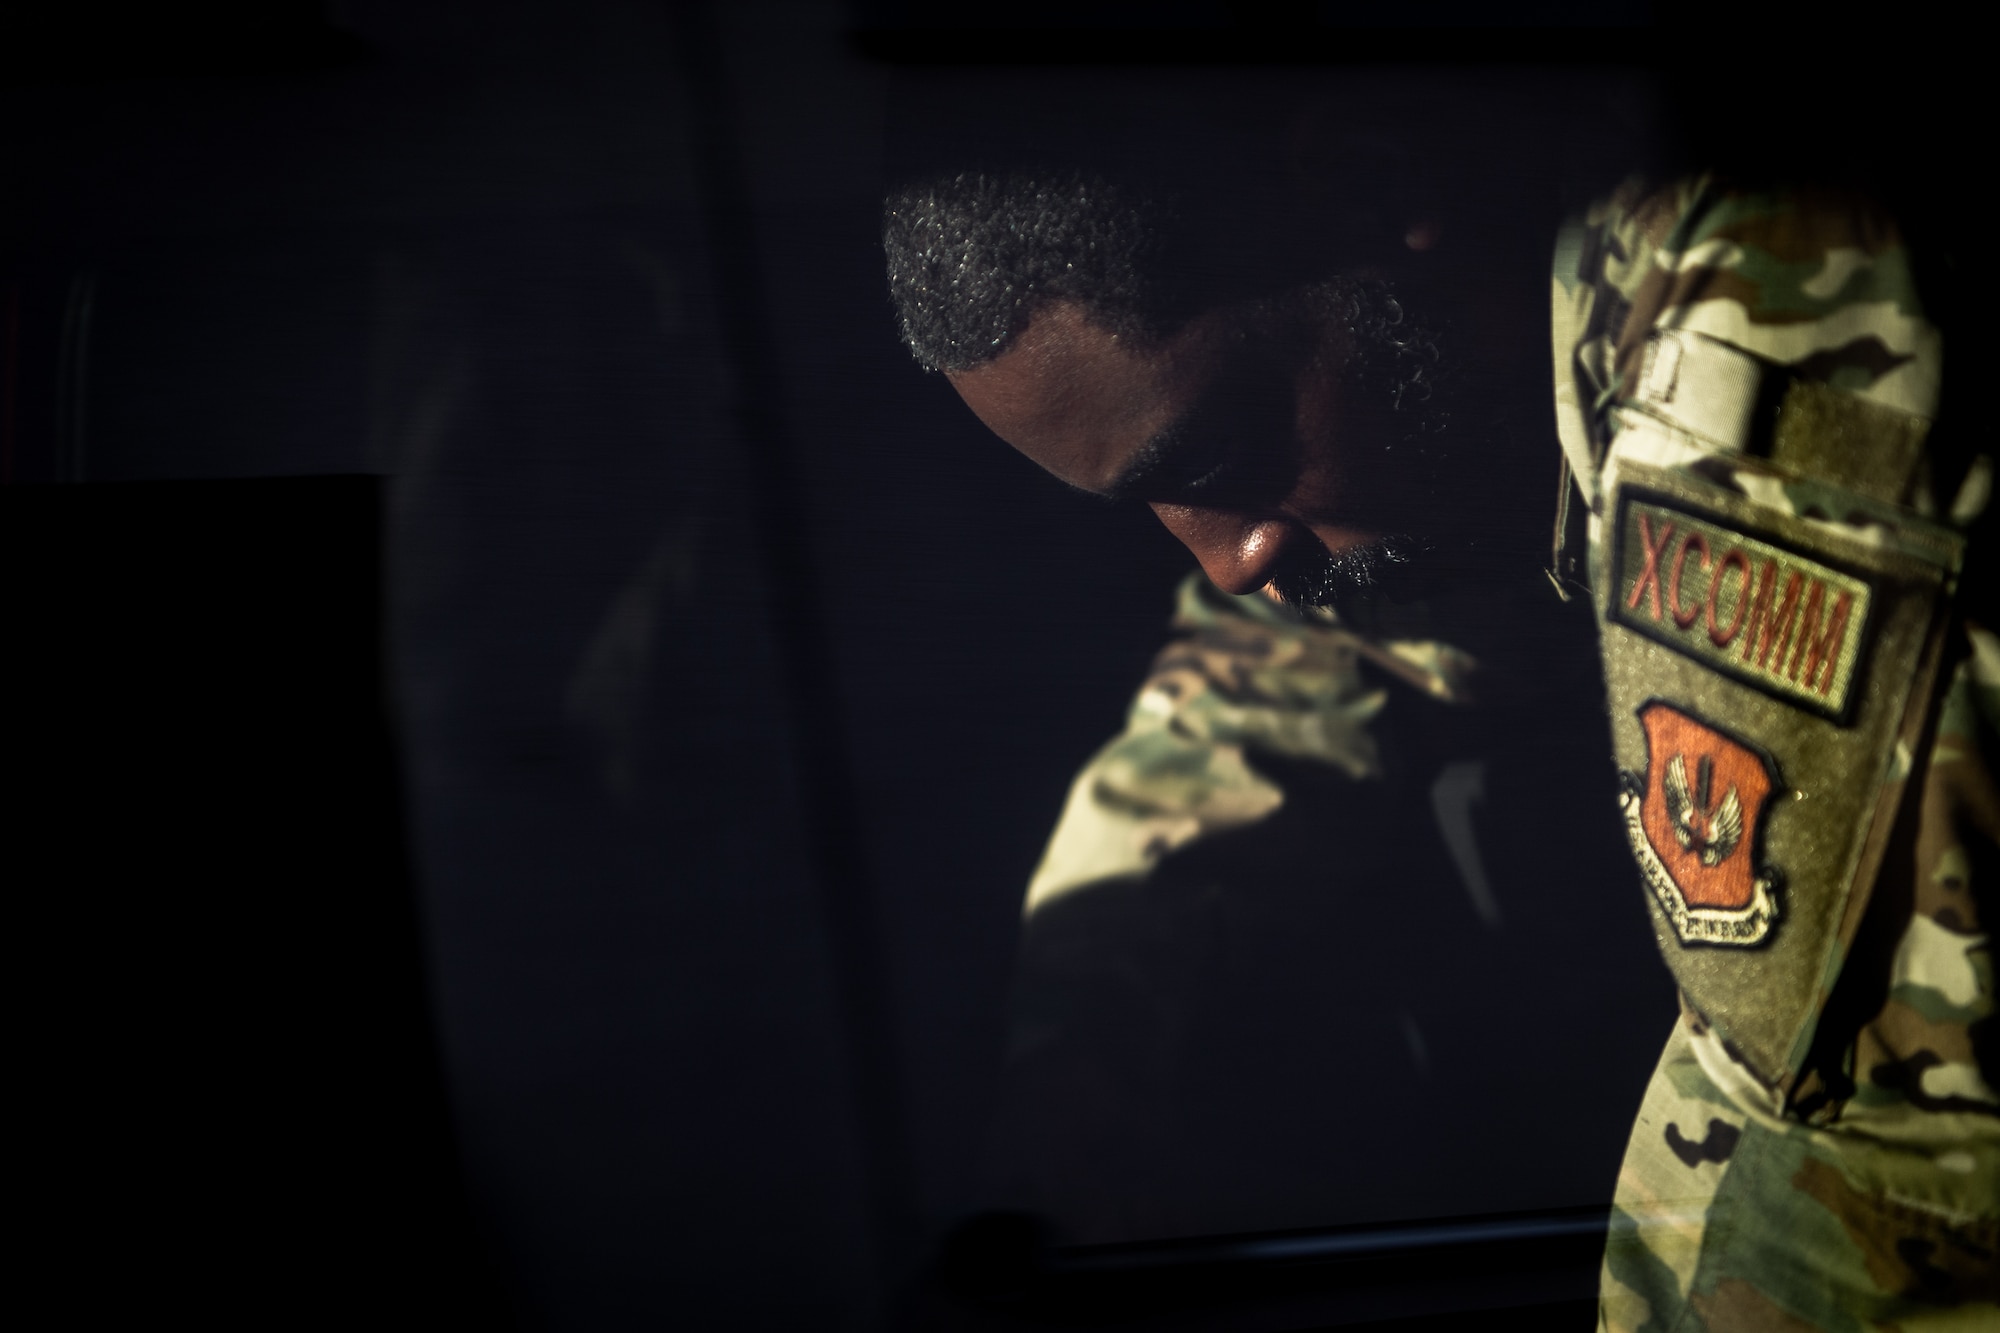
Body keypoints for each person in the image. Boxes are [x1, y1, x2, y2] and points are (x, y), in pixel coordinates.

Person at [882, 73, 1996, 1328]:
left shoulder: (1749, 370)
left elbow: (1878, 1163)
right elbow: (1275, 686)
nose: (1225, 559)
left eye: (1208, 460)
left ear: (1374, 184)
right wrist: (1066, 1135)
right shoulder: (1458, 368)